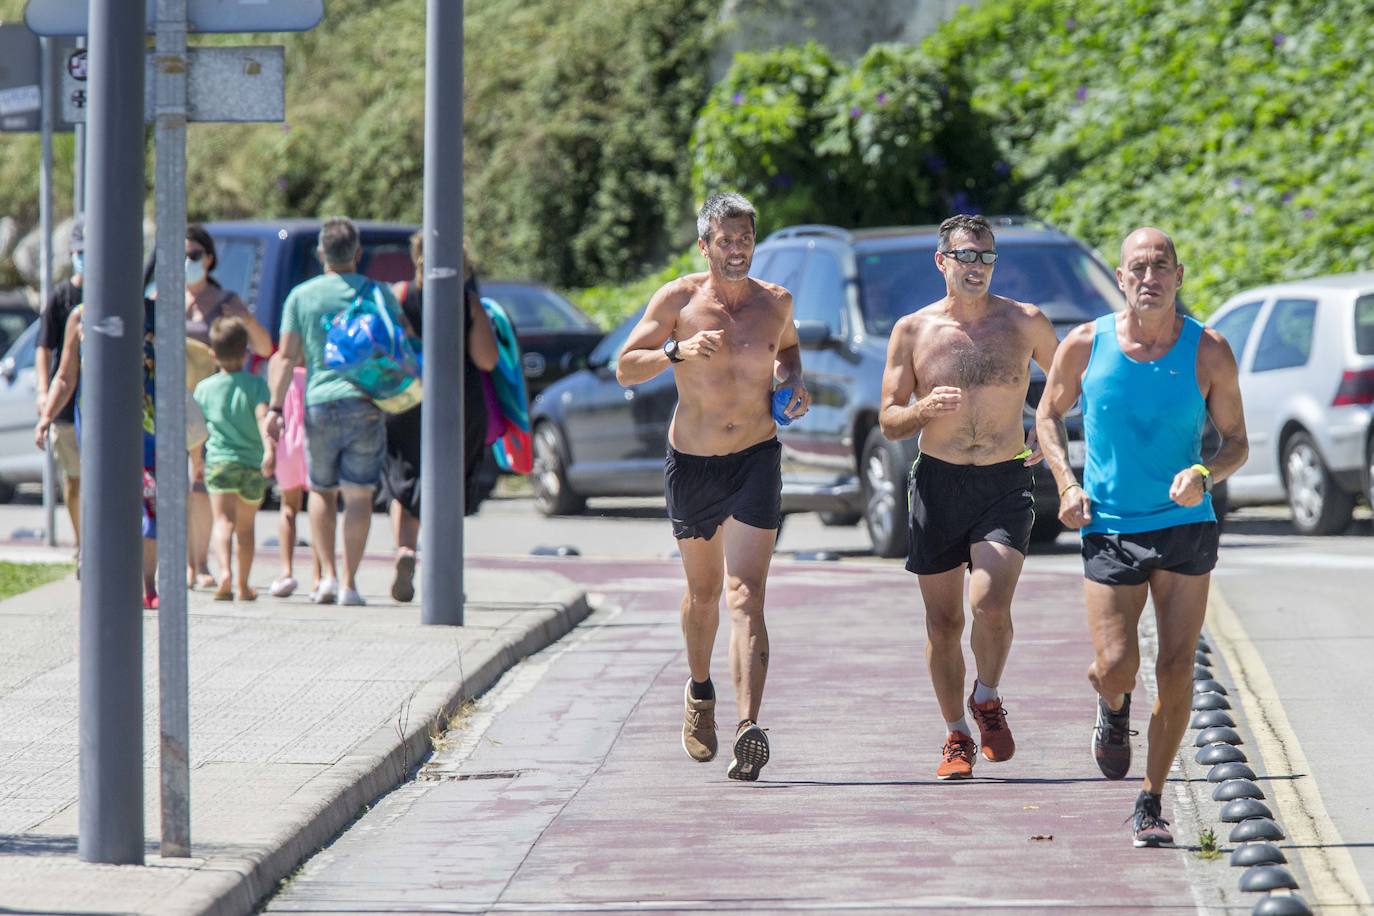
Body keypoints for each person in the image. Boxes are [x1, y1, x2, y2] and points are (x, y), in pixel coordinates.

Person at [1036, 227, 1248, 847]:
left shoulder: (1208, 349)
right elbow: (1047, 415)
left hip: (1185, 525)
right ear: (1122, 280)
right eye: (1138, 267)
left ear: (1178, 277)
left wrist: (1205, 472)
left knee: (1177, 666)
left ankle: (1151, 800)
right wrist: (1066, 483)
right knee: (1117, 665)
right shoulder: (1083, 345)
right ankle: (1112, 704)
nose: (1149, 276)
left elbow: (1237, 442)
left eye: (1161, 266)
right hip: (1109, 528)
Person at [615, 192, 810, 781]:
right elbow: (625, 365)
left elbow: (791, 353)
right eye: (724, 240)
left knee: (745, 593)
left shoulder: (775, 303)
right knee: (703, 596)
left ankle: (749, 727)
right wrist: (674, 350)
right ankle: (700, 693)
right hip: (694, 462)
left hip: (755, 456)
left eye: (745, 238)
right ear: (704, 246)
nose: (736, 249)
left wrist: (793, 383)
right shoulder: (678, 299)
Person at [878, 213, 1059, 781]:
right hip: (938, 481)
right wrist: (922, 410)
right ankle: (956, 733)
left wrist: (1045, 422)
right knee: (942, 624)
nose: (976, 267)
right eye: (965, 256)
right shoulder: (913, 331)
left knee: (991, 604)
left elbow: (1071, 381)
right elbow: (889, 419)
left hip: (1003, 482)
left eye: (985, 257)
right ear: (943, 261)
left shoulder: (1025, 323)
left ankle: (987, 694)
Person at [266, 216, 390, 606]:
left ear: (321, 253)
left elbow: (285, 358)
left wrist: (275, 407)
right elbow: (396, 347)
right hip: (365, 401)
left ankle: (327, 579)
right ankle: (351, 584)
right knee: (359, 495)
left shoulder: (301, 297)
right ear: (358, 253)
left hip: (318, 402)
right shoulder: (375, 292)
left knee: (321, 489)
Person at [382, 232, 499, 602]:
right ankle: (444, 570)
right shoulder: (466, 302)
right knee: (449, 482)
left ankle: (405, 550)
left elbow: (386, 350)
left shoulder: (399, 295)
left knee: (404, 480)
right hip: (459, 404)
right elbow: (487, 359)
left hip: (407, 401)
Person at [182, 224, 273, 590]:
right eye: (181, 256)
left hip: (212, 411)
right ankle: (188, 563)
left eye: (193, 255)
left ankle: (204, 566)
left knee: (201, 489)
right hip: (175, 404)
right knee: (178, 488)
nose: (186, 262)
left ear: (209, 259)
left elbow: (266, 347)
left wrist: (245, 318)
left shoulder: (226, 301)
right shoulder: (162, 300)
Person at [194, 317, 271, 601]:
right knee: (246, 528)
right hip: (251, 464)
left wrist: (196, 461)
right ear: (246, 351)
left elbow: (198, 431)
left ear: (213, 354)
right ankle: (244, 584)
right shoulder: (256, 386)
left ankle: (224, 571)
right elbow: (263, 416)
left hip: (219, 463)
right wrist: (270, 450)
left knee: (222, 522)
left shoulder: (204, 389)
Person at [35, 218, 85, 556]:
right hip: (67, 405)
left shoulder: (118, 297)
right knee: (74, 477)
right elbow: (46, 349)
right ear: (72, 254)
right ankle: (83, 543)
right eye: (82, 252)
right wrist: (44, 393)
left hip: (101, 408)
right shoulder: (64, 298)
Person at [266, 365, 320, 598]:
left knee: (288, 507)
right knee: (320, 506)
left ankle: (286, 571)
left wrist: (269, 447)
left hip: (287, 444)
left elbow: (271, 407)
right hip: (314, 440)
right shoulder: (319, 362)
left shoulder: (278, 364)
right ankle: (320, 577)